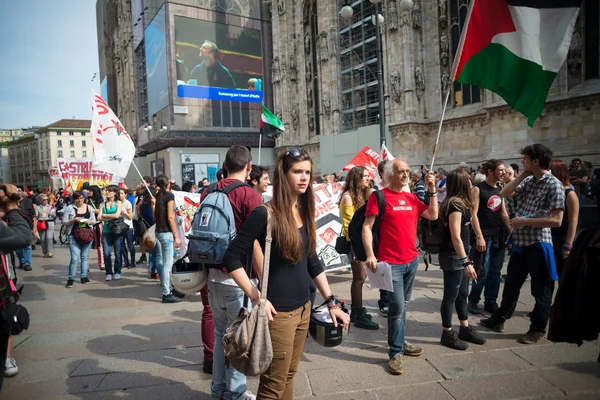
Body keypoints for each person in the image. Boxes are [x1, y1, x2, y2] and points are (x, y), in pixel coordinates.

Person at [223, 148, 350, 400]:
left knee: (288, 377)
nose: (304, 178)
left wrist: (331, 301)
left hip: (305, 308)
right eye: (297, 172)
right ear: (283, 174)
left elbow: (312, 261)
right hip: (278, 314)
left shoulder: (303, 211)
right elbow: (231, 257)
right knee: (272, 387)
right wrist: (256, 295)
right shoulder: (264, 213)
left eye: (307, 172)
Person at [480, 144, 565, 344]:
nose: (522, 162)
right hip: (520, 242)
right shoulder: (529, 181)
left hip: (538, 243)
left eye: (525, 159)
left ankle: (538, 328)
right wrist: (522, 175)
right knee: (511, 285)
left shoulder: (553, 184)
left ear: (535, 161)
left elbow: (557, 220)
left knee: (541, 289)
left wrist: (524, 220)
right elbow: (504, 193)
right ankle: (499, 319)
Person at [199, 145, 264, 396]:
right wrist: (262, 283)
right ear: (249, 168)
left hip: (211, 277)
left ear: (224, 166)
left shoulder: (208, 190)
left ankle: (217, 389)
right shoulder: (249, 195)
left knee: (219, 336)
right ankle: (236, 393)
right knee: (239, 340)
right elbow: (255, 244)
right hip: (238, 279)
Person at [363, 159, 438, 375]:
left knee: (403, 305)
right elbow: (367, 228)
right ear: (388, 175)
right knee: (397, 309)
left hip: (411, 261)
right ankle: (395, 352)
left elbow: (433, 215)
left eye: (407, 171)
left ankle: (401, 342)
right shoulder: (379, 197)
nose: (406, 175)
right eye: (400, 171)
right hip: (390, 264)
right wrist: (370, 254)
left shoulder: (412, 198)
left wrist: (432, 189)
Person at [438, 170, 487, 350]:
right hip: (453, 255)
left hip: (461, 253)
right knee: (451, 295)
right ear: (462, 183)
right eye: (468, 180)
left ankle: (464, 327)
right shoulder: (454, 204)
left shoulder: (462, 202)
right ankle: (447, 332)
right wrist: (465, 261)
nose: (471, 182)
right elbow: (455, 236)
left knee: (462, 294)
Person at [467, 159, 511, 315]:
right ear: (490, 171)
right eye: (500, 170)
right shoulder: (478, 189)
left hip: (499, 235)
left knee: (496, 271)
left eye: (504, 170)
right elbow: (473, 214)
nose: (504, 173)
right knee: (481, 270)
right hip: (484, 235)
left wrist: (511, 231)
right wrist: (479, 236)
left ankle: (490, 301)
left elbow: (504, 213)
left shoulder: (501, 189)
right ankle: (473, 300)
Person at [339, 166, 378, 330]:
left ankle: (357, 310)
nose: (368, 179)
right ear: (356, 178)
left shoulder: (365, 194)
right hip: (355, 243)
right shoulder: (348, 197)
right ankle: (357, 313)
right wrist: (356, 250)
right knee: (359, 278)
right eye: (365, 176)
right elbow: (349, 226)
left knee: (361, 278)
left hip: (364, 242)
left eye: (369, 176)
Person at [152, 176, 182, 303]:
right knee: (168, 263)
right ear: (168, 183)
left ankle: (168, 289)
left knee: (164, 261)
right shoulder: (169, 196)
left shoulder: (158, 196)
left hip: (159, 231)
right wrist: (176, 235)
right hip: (166, 233)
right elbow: (170, 217)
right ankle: (167, 293)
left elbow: (156, 214)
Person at [549, 160, 579, 277]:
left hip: (562, 239)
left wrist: (568, 245)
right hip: (549, 237)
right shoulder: (552, 190)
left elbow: (573, 222)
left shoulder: (570, 194)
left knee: (563, 274)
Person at [63, 191, 96, 288]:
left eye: (81, 198)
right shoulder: (69, 208)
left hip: (87, 235)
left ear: (84, 198)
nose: (79, 200)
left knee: (85, 257)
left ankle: (84, 276)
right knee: (74, 258)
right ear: (74, 199)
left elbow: (94, 220)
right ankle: (71, 278)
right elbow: (64, 222)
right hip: (73, 235)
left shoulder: (89, 208)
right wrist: (73, 220)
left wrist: (90, 221)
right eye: (77, 198)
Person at [98, 185, 123, 281]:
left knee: (118, 252)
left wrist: (105, 215)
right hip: (106, 231)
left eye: (109, 191)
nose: (107, 192)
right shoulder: (102, 204)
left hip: (117, 230)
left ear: (114, 193)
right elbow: (99, 218)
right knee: (106, 253)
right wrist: (109, 216)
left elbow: (117, 215)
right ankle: (109, 272)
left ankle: (117, 271)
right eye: (106, 191)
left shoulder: (118, 203)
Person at [15, 186, 34, 271]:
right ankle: (22, 261)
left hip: (27, 226)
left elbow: (33, 215)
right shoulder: (11, 203)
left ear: (22, 192)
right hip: (15, 227)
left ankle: (27, 263)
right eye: (16, 191)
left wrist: (35, 227)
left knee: (28, 245)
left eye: (19, 190)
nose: (18, 192)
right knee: (18, 247)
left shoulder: (28, 201)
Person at [86, 186, 105, 270]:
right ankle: (86, 265)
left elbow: (101, 211)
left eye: (90, 191)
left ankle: (101, 264)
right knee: (87, 245)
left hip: (98, 224)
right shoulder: (87, 200)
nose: (88, 192)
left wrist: (92, 210)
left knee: (99, 245)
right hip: (88, 225)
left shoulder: (101, 200)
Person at [119, 188, 136, 269]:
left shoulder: (127, 203)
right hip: (119, 227)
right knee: (122, 245)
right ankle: (126, 262)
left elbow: (130, 217)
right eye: (119, 193)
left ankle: (133, 262)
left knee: (130, 245)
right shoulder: (117, 203)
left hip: (128, 227)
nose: (120, 195)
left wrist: (124, 212)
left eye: (122, 193)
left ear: (125, 194)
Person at [36, 194, 56, 258]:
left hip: (50, 223)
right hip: (41, 223)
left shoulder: (51, 207)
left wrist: (52, 214)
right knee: (43, 239)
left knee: (49, 238)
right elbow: (36, 216)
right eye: (44, 200)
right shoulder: (38, 207)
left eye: (47, 199)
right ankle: (45, 252)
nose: (46, 201)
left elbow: (55, 215)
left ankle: (49, 252)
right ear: (40, 200)